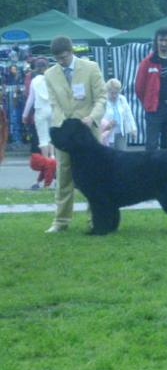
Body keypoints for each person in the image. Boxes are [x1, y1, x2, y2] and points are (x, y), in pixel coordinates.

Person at [44, 35, 107, 233]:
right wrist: (66, 125)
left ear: (71, 52)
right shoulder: (49, 75)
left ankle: (94, 219)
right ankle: (61, 221)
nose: (61, 62)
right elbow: (54, 104)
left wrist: (91, 117)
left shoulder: (91, 68)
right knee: (64, 177)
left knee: (95, 178)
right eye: (57, 59)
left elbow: (101, 98)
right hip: (66, 135)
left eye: (64, 57)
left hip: (89, 133)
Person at [135, 27, 167, 150]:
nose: (163, 43)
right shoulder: (147, 62)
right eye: (161, 40)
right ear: (156, 41)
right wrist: (148, 103)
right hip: (154, 109)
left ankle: (165, 169)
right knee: (151, 144)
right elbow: (139, 87)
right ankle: (150, 169)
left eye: (166, 40)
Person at [22, 57, 52, 158]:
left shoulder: (34, 81)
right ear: (47, 67)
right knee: (51, 136)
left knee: (43, 138)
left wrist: (25, 115)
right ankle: (53, 158)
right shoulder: (51, 79)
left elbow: (30, 99)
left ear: (35, 68)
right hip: (52, 110)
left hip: (40, 111)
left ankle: (46, 160)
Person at [100, 78, 137, 150]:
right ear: (107, 91)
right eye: (112, 93)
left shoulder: (122, 99)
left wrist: (133, 129)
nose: (114, 95)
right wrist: (107, 125)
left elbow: (128, 115)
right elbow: (99, 117)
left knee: (122, 157)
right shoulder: (102, 101)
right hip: (107, 134)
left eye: (116, 93)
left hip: (121, 133)